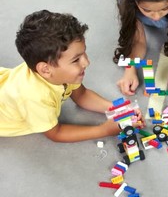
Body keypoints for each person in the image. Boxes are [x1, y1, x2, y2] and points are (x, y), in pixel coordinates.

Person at [0, 10, 144, 142]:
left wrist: (119, 109)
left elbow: (81, 95)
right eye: (76, 60)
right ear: (45, 70)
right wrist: (103, 130)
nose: (86, 62)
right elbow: (56, 133)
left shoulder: (60, 74)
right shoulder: (33, 98)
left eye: (84, 54)